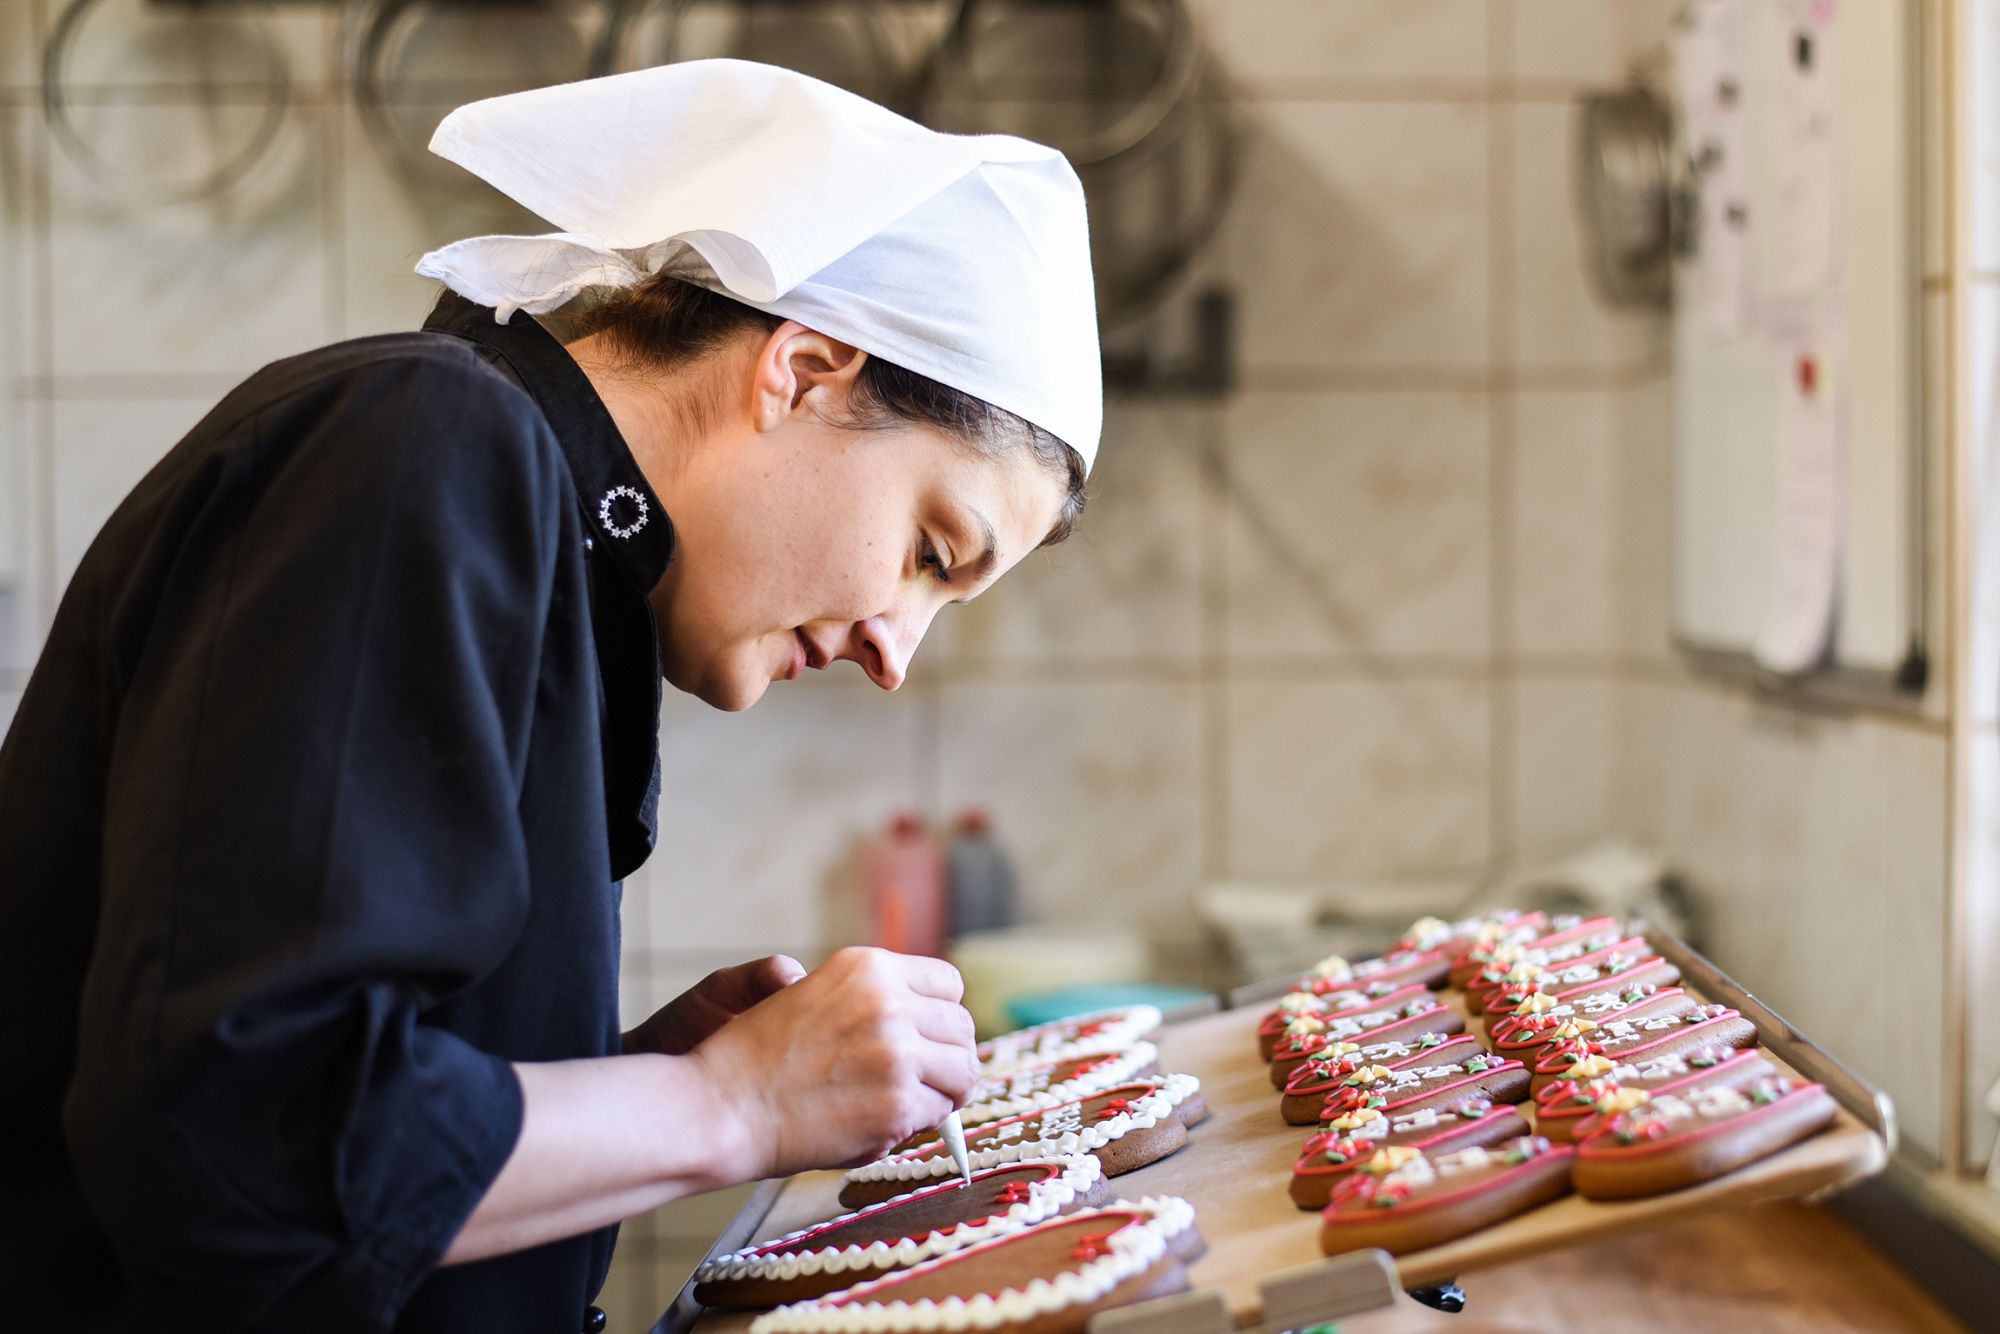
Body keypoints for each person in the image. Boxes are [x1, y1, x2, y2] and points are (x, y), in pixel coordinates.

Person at [0, 60, 1101, 1333]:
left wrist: (646, 1077)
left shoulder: (542, 537)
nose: (893, 653)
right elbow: (243, 1152)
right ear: (802, 368)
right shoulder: (418, 440)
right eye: (928, 550)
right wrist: (731, 1105)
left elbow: (349, 1121)